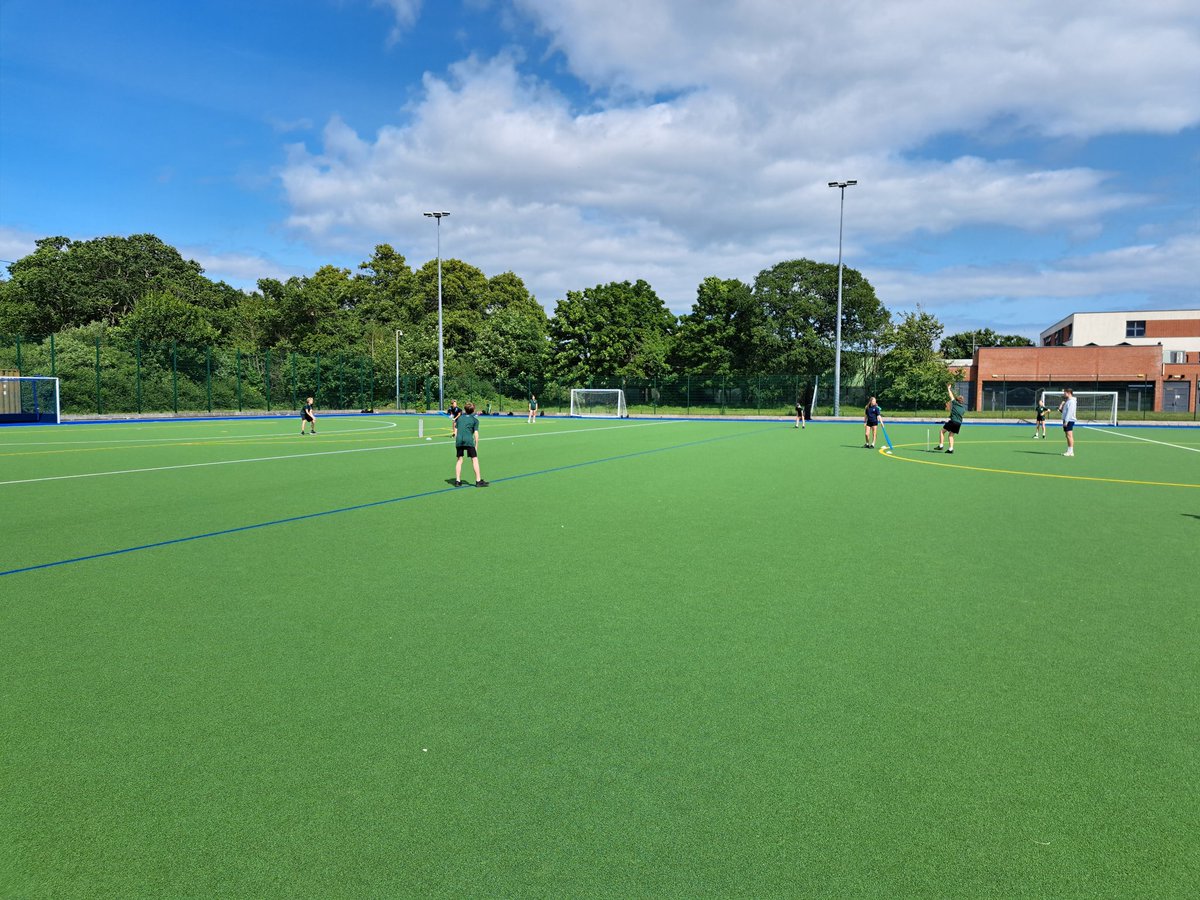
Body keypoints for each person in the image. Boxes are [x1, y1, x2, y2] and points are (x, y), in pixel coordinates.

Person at [453, 402, 488, 487]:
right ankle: (478, 481)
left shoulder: (460, 418)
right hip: (469, 441)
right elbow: (476, 434)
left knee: (459, 460)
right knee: (474, 459)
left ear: (465, 409)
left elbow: (456, 431)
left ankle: (457, 480)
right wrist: (476, 445)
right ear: (473, 410)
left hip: (459, 441)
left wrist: (457, 440)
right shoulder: (475, 420)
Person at [935, 385, 966, 454]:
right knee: (951, 435)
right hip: (959, 423)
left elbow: (950, 395)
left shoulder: (955, 403)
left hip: (953, 422)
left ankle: (941, 445)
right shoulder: (963, 409)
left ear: (957, 400)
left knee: (942, 431)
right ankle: (951, 449)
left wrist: (948, 389)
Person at [1059, 388, 1077, 457]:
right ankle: (1069, 451)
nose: (1064, 394)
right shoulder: (1068, 401)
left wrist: (1066, 421)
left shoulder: (1071, 401)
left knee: (1069, 436)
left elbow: (1070, 412)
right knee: (1067, 436)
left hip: (1069, 420)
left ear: (1068, 393)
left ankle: (1071, 451)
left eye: (1065, 392)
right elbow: (1065, 411)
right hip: (1067, 420)